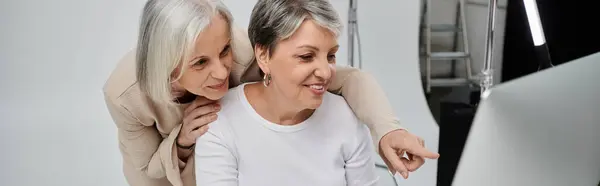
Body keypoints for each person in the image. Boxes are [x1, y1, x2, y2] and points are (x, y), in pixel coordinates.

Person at [102, 0, 439, 185]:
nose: (222, 73)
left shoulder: (252, 49)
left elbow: (347, 79)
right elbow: (146, 172)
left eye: (224, 52)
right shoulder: (125, 95)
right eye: (200, 63)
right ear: (168, 65)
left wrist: (387, 129)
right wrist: (181, 142)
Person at [194, 0, 377, 185]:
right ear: (263, 56)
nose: (325, 72)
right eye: (306, 56)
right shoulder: (220, 122)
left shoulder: (346, 118)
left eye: (330, 55)